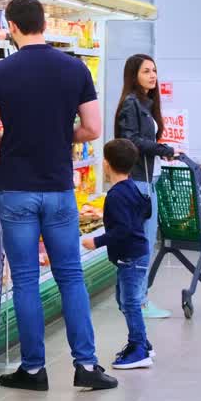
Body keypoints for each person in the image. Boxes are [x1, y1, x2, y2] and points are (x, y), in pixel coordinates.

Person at [0, 0, 116, 392]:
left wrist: (16, 137)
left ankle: (33, 369)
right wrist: (58, 135)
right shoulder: (74, 69)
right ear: (44, 24)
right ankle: (86, 365)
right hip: (59, 189)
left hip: (16, 189)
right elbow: (91, 128)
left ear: (13, 27)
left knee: (23, 279)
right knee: (71, 275)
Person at [114, 54, 178, 320]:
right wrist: (161, 149)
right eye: (145, 72)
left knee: (140, 245)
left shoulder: (144, 104)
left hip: (148, 179)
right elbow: (131, 141)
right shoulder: (131, 105)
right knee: (142, 246)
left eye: (154, 71)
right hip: (140, 182)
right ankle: (138, 302)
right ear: (133, 75)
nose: (152, 75)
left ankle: (133, 299)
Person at [82, 139, 153, 369]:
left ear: (105, 164)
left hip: (131, 257)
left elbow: (123, 230)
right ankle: (142, 341)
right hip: (135, 254)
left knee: (130, 302)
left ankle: (139, 348)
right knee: (124, 300)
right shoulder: (133, 188)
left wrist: (97, 241)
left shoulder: (115, 196)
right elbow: (145, 212)